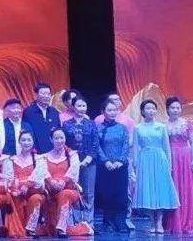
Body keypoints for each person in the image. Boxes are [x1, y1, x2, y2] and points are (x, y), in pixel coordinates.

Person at [132, 99, 179, 234]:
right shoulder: (137, 128)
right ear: (142, 111)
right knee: (148, 191)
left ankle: (159, 222)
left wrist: (169, 164)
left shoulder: (161, 127)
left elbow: (166, 147)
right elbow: (135, 147)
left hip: (159, 159)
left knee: (160, 191)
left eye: (153, 108)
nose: (151, 111)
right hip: (144, 160)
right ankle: (152, 221)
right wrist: (135, 165)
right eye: (148, 108)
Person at [40, 128, 93, 236]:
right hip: (51, 191)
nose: (59, 140)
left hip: (69, 190)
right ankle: (84, 228)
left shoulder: (72, 155)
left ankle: (62, 227)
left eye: (61, 138)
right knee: (51, 230)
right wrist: (51, 182)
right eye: (56, 138)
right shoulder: (44, 157)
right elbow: (43, 172)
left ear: (65, 138)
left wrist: (63, 181)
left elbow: (73, 171)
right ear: (51, 139)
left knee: (65, 194)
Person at [163, 96, 193, 235]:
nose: (175, 110)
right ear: (167, 109)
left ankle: (189, 222)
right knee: (174, 189)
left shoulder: (187, 123)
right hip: (171, 158)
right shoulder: (164, 125)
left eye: (178, 108)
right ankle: (174, 222)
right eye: (172, 108)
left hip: (186, 158)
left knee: (187, 189)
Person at [61, 95, 99, 224]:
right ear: (73, 107)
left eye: (84, 106)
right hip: (72, 161)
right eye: (79, 106)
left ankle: (88, 222)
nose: (82, 108)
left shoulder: (91, 124)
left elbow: (95, 143)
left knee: (88, 192)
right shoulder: (66, 124)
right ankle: (76, 221)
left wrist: (88, 159)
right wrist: (73, 157)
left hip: (89, 161)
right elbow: (64, 143)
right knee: (74, 190)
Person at [96, 100, 131, 233]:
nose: (112, 112)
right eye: (109, 110)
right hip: (105, 167)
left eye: (114, 110)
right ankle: (108, 222)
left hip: (120, 166)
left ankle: (121, 222)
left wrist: (120, 161)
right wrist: (106, 161)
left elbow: (125, 145)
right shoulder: (98, 128)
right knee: (107, 195)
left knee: (121, 195)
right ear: (103, 112)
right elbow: (97, 147)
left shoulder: (122, 128)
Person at [4, 131, 46, 237]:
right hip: (17, 191)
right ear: (19, 142)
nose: (26, 142)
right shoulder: (12, 159)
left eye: (29, 140)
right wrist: (16, 188)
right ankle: (18, 228)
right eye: (23, 140)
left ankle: (30, 228)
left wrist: (27, 185)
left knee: (36, 198)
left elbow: (39, 178)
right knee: (14, 196)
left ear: (33, 142)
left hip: (34, 191)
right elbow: (9, 178)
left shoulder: (39, 159)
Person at [23, 82, 61, 153]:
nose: (46, 96)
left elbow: (58, 130)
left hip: (54, 152)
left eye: (48, 94)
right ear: (36, 95)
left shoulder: (54, 112)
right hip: (36, 153)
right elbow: (26, 132)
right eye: (43, 94)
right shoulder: (28, 112)